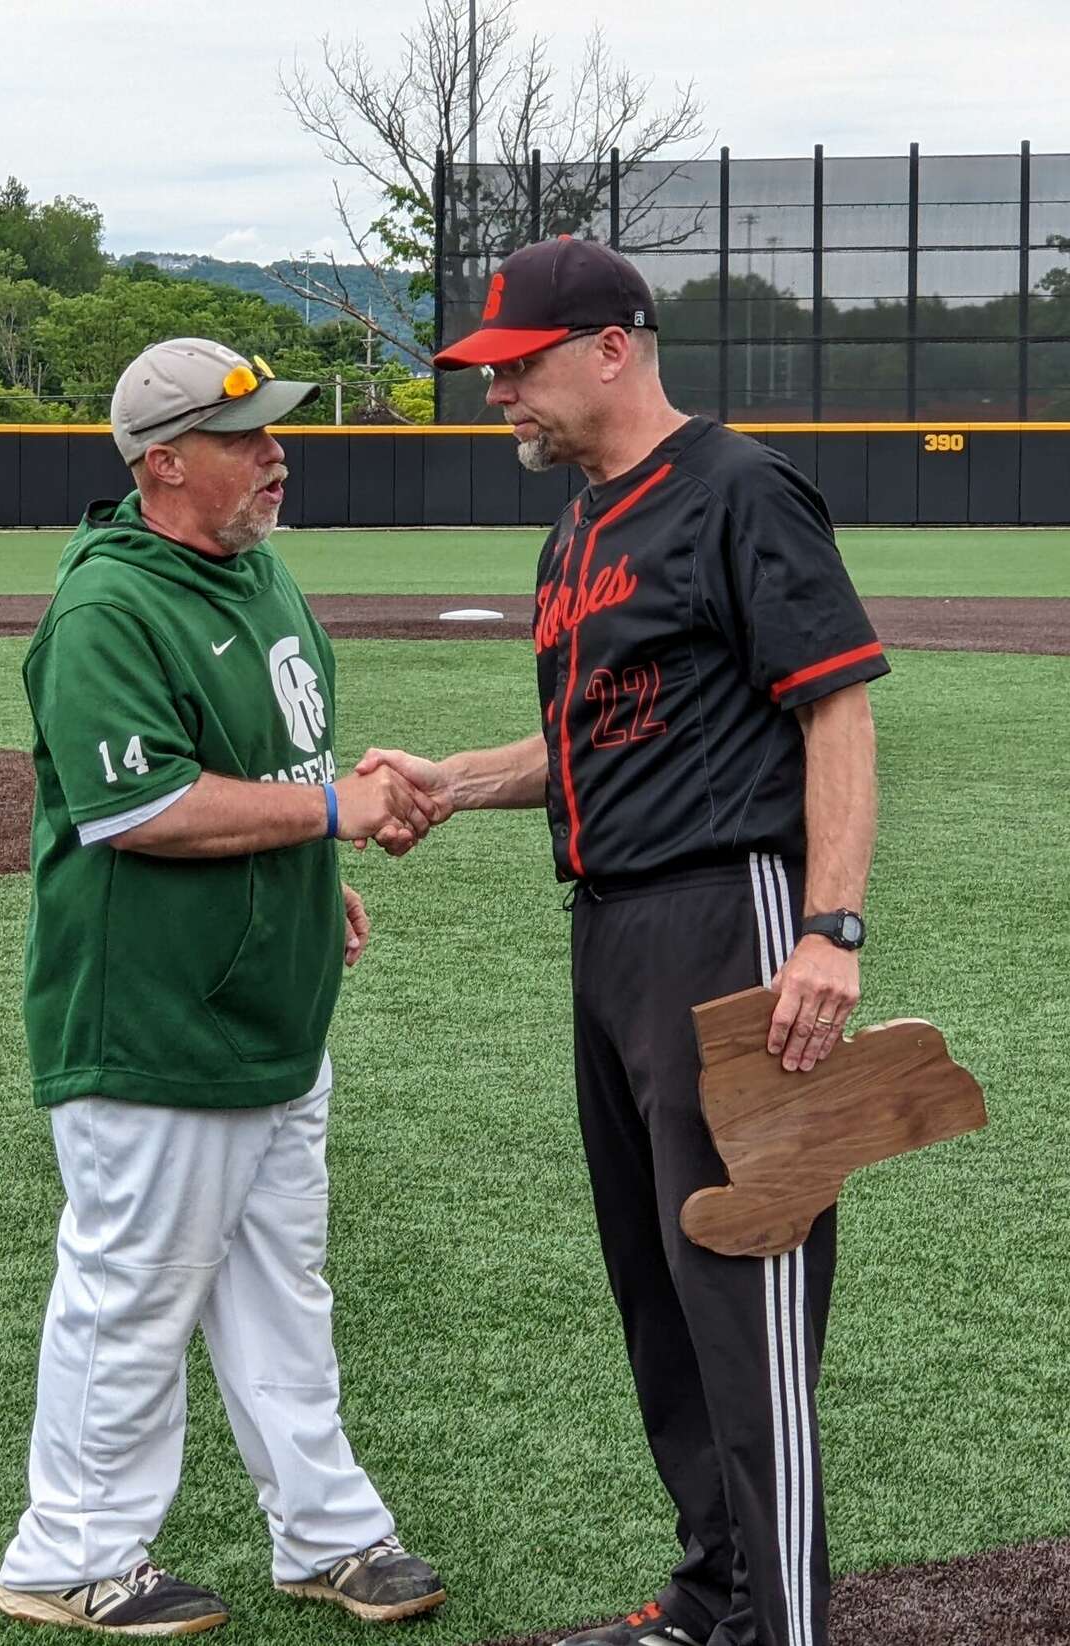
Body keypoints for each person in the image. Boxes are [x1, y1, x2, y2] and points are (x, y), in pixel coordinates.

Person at [360, 240, 889, 1646]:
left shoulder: (739, 489)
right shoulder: (577, 530)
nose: (498, 399)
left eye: (515, 368)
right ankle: (713, 1594)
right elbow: (592, 743)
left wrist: (830, 929)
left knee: (744, 1289)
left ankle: (780, 1627)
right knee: (658, 1293)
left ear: (612, 346)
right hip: (609, 935)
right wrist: (456, 783)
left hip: (734, 919)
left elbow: (834, 707)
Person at [0, 338, 445, 1637]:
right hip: (149, 1016)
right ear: (165, 460)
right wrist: (332, 813)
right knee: (132, 1285)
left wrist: (309, 876)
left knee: (279, 1285)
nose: (278, 452)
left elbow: (255, 772)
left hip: (269, 1007)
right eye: (247, 437)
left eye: (276, 432)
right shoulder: (107, 609)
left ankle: (327, 1531)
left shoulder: (254, 571)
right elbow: (142, 806)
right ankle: (67, 1548)